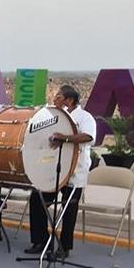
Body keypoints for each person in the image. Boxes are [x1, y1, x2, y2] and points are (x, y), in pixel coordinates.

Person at [25, 86, 96, 256]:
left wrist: (65, 138)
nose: (55, 99)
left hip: (75, 170)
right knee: (37, 199)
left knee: (68, 208)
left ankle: (64, 248)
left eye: (58, 96)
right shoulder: (55, 117)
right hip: (54, 168)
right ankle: (41, 241)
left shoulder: (85, 117)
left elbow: (88, 136)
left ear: (69, 100)